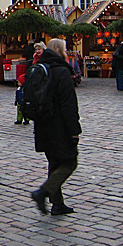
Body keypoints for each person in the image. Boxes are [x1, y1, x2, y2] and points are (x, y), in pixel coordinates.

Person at [29, 38, 82, 215]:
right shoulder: (61, 71)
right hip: (59, 125)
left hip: (43, 123)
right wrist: (74, 130)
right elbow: (68, 104)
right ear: (61, 50)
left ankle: (57, 203)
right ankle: (43, 192)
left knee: (54, 161)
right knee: (69, 162)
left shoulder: (42, 68)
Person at [15, 42, 44, 124]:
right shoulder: (34, 58)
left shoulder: (44, 59)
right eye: (36, 49)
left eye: (39, 49)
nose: (37, 51)